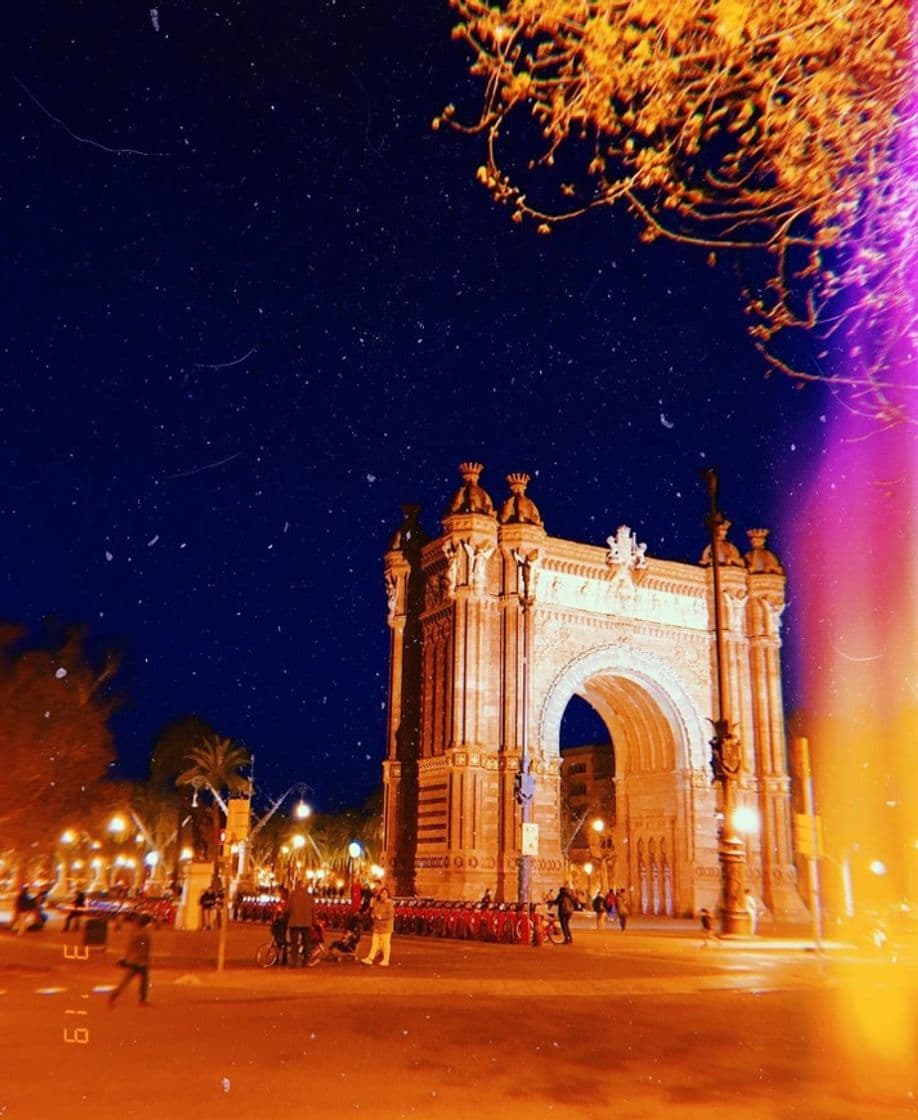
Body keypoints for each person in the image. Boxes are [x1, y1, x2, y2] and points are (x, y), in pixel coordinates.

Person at [109, 915, 153, 1006]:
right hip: (140, 962)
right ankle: (142, 999)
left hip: (133, 960)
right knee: (143, 981)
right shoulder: (142, 933)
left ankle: (114, 995)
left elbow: (131, 947)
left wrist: (126, 959)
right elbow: (143, 949)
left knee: (127, 980)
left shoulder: (135, 930)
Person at [361, 886, 395, 967]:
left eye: (385, 893)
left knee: (385, 944)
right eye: (382, 893)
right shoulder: (378, 903)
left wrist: (381, 917)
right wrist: (373, 915)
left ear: (387, 895)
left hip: (386, 927)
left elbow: (390, 915)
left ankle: (386, 960)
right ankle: (370, 958)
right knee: (374, 943)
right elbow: (373, 911)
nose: (383, 895)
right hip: (377, 926)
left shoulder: (389, 904)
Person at [287, 882, 317, 966]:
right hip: (306, 923)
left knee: (294, 943)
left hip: (294, 922)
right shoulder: (309, 896)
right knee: (307, 943)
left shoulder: (292, 895)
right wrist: (314, 922)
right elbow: (313, 910)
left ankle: (294, 961)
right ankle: (306, 960)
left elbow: (287, 909)